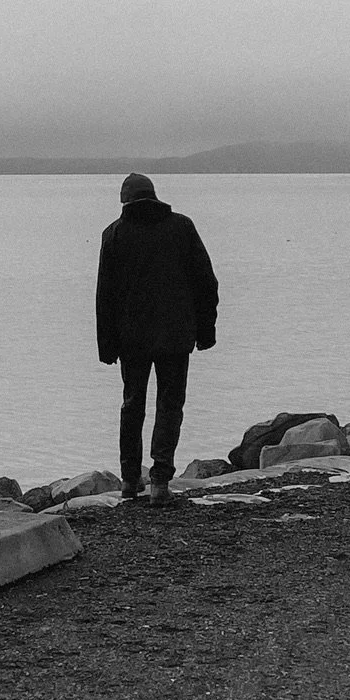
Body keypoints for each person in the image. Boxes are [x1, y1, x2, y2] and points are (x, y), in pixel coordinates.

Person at [95, 171, 219, 505]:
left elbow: (105, 296)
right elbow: (206, 282)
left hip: (131, 339)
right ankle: (160, 482)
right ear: (154, 195)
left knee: (132, 405)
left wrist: (107, 346)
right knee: (170, 404)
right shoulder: (182, 227)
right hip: (176, 335)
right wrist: (206, 331)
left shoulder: (114, 234)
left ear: (125, 201)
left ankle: (129, 480)